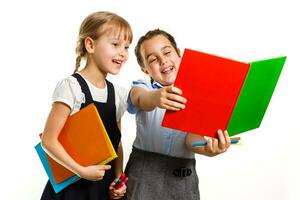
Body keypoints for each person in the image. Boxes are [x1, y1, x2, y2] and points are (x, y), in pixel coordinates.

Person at [125, 29, 232, 200]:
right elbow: (139, 99)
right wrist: (156, 97)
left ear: (180, 54)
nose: (163, 60)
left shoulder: (198, 94)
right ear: (145, 70)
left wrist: (208, 149)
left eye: (167, 52)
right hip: (144, 175)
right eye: (153, 59)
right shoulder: (143, 87)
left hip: (182, 179)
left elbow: (190, 140)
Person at [40, 11, 132, 200]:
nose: (123, 53)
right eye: (115, 44)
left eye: (127, 47)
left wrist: (118, 177)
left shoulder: (118, 94)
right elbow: (48, 141)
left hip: (103, 189)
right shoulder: (72, 87)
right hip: (73, 190)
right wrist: (81, 170)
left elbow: (115, 143)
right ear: (90, 44)